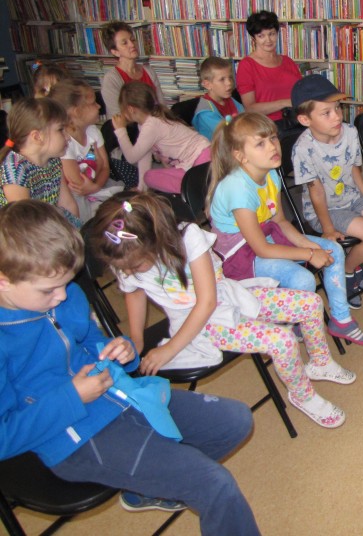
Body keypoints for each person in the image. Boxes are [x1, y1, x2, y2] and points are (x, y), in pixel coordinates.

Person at [0, 199, 261, 535]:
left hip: (121, 395)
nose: (63, 296)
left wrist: (121, 350)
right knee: (215, 484)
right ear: (4, 281)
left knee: (235, 421)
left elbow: (91, 341)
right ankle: (170, 478)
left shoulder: (62, 297)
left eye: (67, 283)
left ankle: (148, 487)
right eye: (49, 290)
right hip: (71, 436)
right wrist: (73, 397)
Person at [88, 191, 354, 428]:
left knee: (311, 303)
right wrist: (136, 338)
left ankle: (320, 363)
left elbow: (208, 299)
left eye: (135, 267)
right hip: (199, 324)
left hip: (222, 297)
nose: (128, 272)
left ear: (156, 240)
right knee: (283, 341)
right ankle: (302, 395)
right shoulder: (124, 256)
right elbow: (133, 291)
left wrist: (169, 349)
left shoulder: (187, 236)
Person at [207, 112, 363, 346]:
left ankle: (341, 319)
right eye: (260, 144)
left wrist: (314, 248)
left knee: (333, 249)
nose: (272, 147)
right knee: (302, 280)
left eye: (273, 138)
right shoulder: (238, 189)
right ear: (240, 156)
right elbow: (261, 249)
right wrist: (309, 253)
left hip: (266, 237)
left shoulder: (270, 174)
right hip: (240, 255)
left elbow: (281, 222)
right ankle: (293, 320)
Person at [291, 74, 363, 306]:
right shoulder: (303, 148)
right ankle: (346, 271)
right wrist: (327, 229)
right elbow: (316, 192)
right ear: (305, 119)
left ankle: (350, 262)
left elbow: (354, 168)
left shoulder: (350, 132)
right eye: (326, 113)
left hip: (353, 197)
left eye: (337, 108)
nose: (336, 116)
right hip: (326, 210)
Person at [112, 81, 211, 193]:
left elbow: (131, 157)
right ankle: (192, 189)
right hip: (199, 158)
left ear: (130, 109)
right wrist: (141, 189)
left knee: (150, 177)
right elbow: (143, 157)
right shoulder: (147, 123)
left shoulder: (152, 124)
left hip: (202, 159)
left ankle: (192, 190)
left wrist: (120, 130)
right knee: (150, 176)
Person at [49, 78, 124, 222]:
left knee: (120, 208)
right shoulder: (66, 142)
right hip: (76, 196)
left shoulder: (93, 131)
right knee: (98, 219)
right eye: (94, 103)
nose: (99, 106)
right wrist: (96, 179)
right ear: (77, 112)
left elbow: (105, 166)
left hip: (97, 185)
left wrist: (96, 186)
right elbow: (77, 183)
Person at [0, 97, 80, 227]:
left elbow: (68, 204)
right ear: (37, 136)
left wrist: (76, 231)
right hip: (21, 233)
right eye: (61, 129)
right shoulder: (15, 169)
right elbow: (22, 224)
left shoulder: (53, 161)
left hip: (44, 226)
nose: (68, 137)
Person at [236, 10, 302, 122]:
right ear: (254, 39)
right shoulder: (247, 65)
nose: (268, 40)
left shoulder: (288, 61)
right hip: (267, 125)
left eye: (272, 34)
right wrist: (284, 103)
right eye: (261, 36)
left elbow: (302, 92)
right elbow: (250, 109)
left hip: (297, 119)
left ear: (277, 34)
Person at [100, 21, 165, 117]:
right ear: (115, 52)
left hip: (156, 122)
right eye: (124, 43)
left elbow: (162, 106)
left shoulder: (149, 71)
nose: (132, 44)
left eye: (133, 39)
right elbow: (118, 116)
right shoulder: (111, 79)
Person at [193, 56, 245, 140]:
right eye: (222, 79)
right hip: (219, 146)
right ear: (208, 85)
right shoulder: (206, 112)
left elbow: (245, 118)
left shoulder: (230, 100)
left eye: (230, 77)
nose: (229, 83)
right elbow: (227, 135)